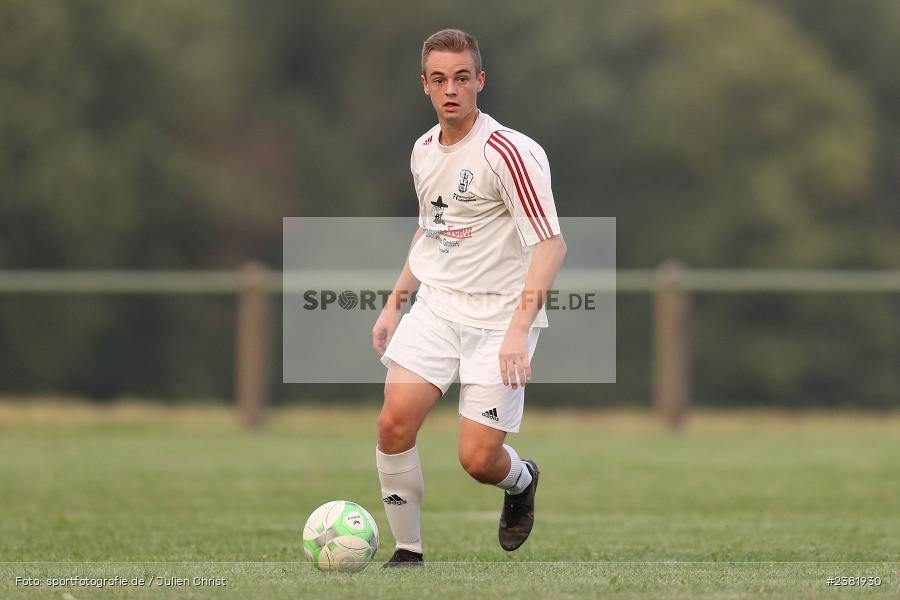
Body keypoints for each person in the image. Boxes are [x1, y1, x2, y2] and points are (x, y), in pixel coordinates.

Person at [371, 28, 566, 568]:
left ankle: (521, 480)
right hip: (436, 308)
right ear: (425, 86)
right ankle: (407, 552)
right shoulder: (423, 150)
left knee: (478, 460)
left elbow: (551, 245)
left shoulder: (509, 153)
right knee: (393, 424)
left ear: (480, 81)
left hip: (499, 317)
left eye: (461, 77)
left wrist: (518, 332)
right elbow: (431, 230)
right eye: (439, 79)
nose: (450, 89)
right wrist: (395, 302)